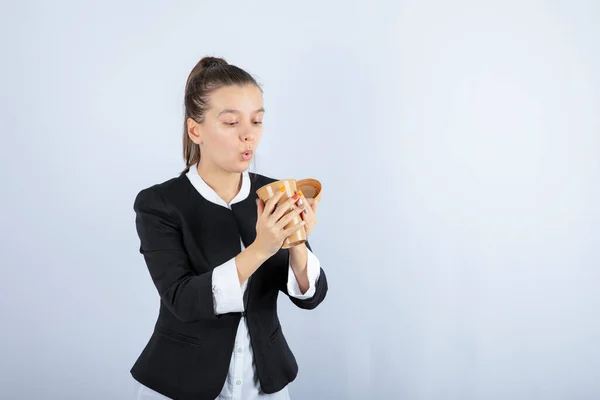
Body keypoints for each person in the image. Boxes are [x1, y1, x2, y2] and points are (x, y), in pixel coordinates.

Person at [130, 56, 328, 400]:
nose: (248, 135)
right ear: (196, 130)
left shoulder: (275, 191)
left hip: (263, 384)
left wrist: (297, 239)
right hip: (179, 383)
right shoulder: (159, 203)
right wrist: (261, 248)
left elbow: (311, 297)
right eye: (231, 122)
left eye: (257, 121)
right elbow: (183, 300)